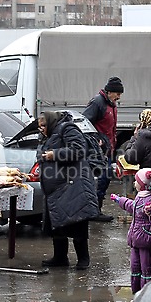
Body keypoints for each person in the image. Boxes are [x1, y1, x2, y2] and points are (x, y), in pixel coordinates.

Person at [38, 111, 99, 270]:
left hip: (71, 185)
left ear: (51, 122)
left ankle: (83, 259)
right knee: (57, 222)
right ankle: (60, 257)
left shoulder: (67, 128)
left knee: (76, 221)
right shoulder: (50, 135)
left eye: (44, 125)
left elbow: (79, 150)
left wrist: (54, 154)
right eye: (40, 127)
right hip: (56, 188)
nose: (42, 129)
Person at [111, 168, 151, 294]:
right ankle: (136, 292)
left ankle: (147, 293)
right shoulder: (140, 197)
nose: (134, 183)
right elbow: (132, 206)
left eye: (136, 181)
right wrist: (119, 200)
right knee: (135, 266)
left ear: (143, 185)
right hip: (136, 239)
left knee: (147, 267)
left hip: (147, 239)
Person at [83, 76, 124, 222]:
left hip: (108, 149)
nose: (119, 97)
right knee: (101, 179)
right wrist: (96, 139)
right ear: (109, 91)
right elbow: (85, 122)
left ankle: (95, 210)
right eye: (117, 94)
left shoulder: (111, 104)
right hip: (97, 150)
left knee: (104, 179)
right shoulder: (97, 102)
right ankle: (93, 211)